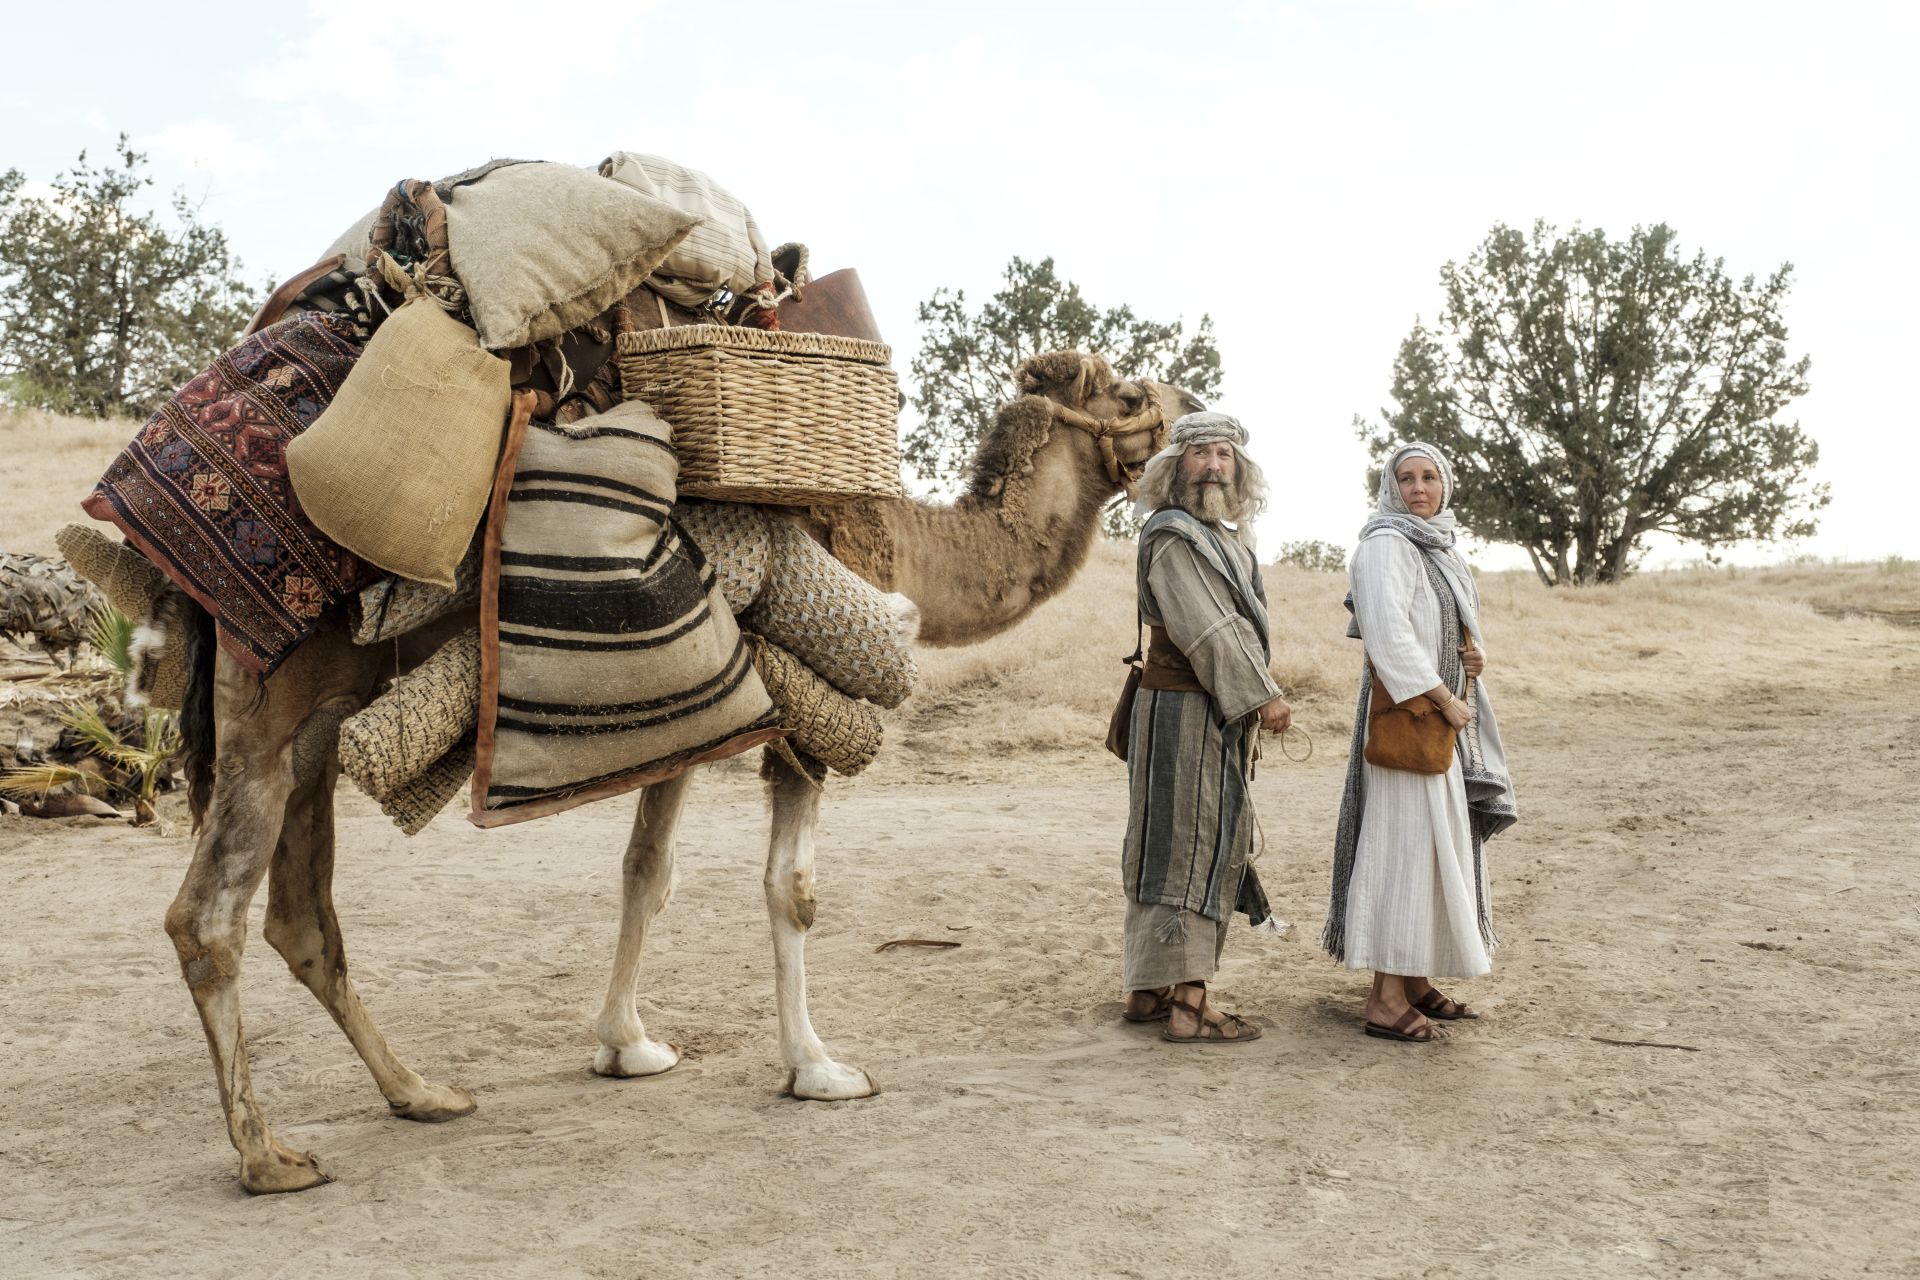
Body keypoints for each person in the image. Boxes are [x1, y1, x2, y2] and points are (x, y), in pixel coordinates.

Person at [1323, 442, 1519, 1043]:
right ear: (1390, 488)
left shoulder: (1438, 546)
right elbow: (1388, 634)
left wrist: (1472, 653)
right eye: (1405, 478)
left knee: (1436, 844)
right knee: (1403, 845)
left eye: (1429, 476)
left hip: (1440, 714)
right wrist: (1443, 697)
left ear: (1445, 484)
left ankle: (1412, 980)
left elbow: (1434, 623)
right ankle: (1384, 997)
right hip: (1411, 716)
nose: (1418, 488)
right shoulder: (1386, 544)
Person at [1118, 412, 1292, 1044]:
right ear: (1175, 467)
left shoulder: (1226, 537)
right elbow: (1208, 630)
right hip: (1187, 711)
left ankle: (1147, 992)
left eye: (1224, 454)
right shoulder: (1173, 534)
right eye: (1200, 454)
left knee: (1172, 838)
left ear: (1238, 468)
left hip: (1199, 711)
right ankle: (1190, 1006)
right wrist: (1261, 697)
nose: (1214, 465)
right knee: (1197, 841)